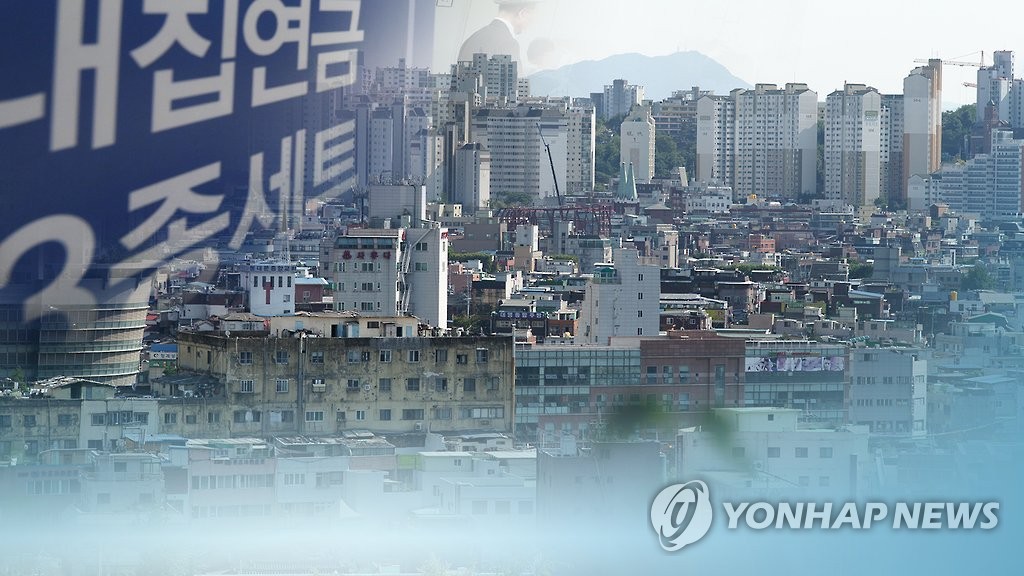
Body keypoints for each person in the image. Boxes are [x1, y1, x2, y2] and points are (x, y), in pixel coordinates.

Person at [457, 0, 545, 64]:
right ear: (523, 13)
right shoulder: (508, 43)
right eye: (531, 19)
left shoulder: (473, 37)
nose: (530, 25)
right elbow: (514, 83)